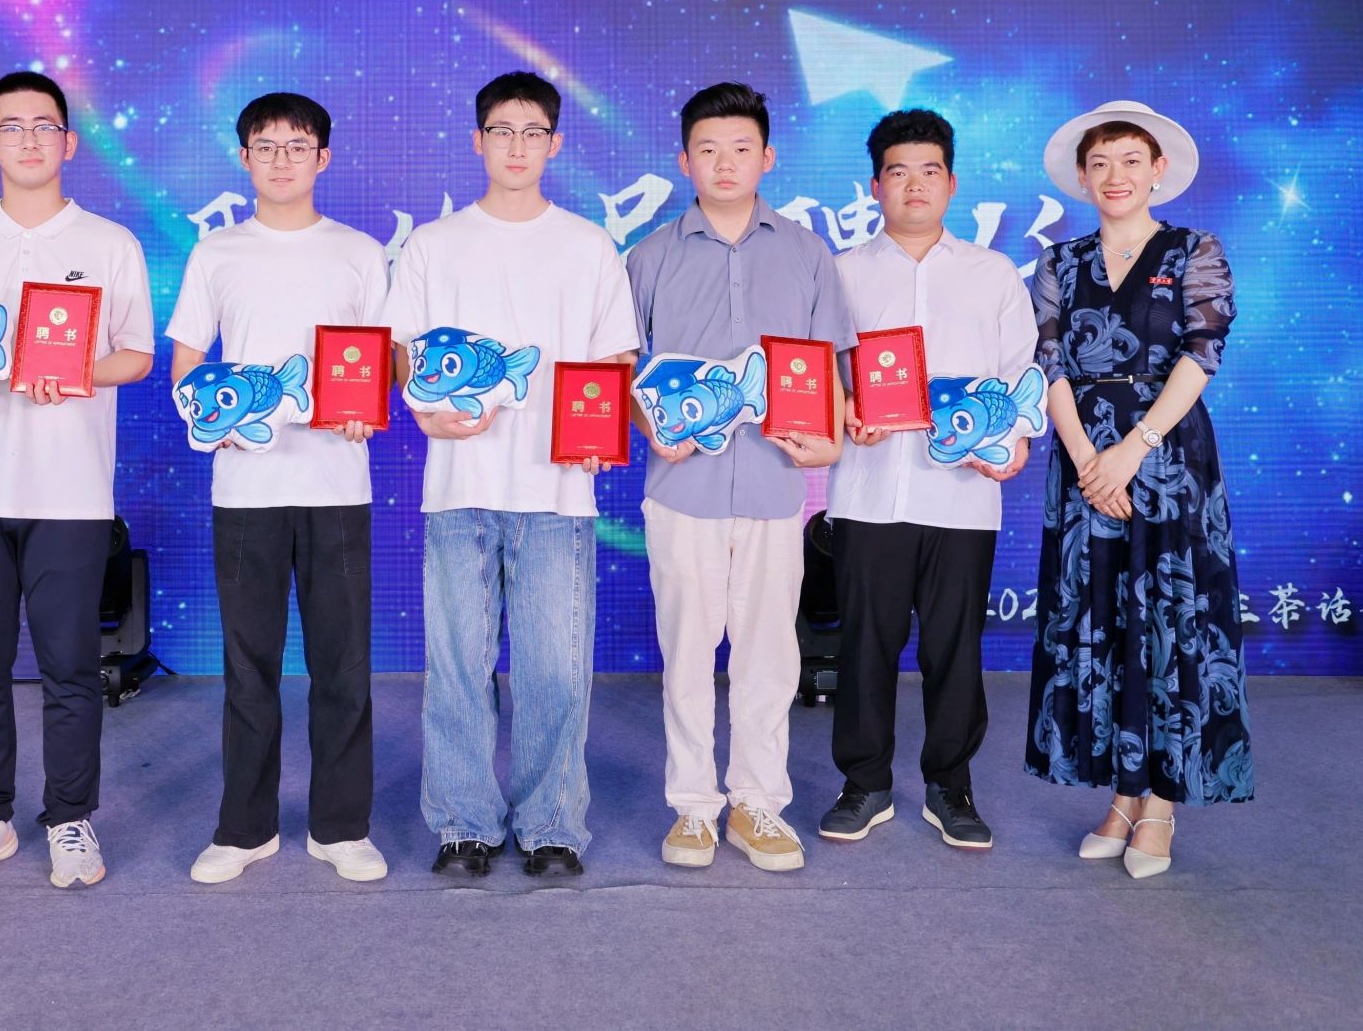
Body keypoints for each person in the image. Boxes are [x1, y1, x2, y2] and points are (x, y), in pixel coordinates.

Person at [384, 70, 640, 880]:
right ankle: (463, 822)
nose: (517, 146)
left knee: (554, 667)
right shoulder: (434, 245)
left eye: (533, 133)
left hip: (557, 488)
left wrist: (601, 429)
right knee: (457, 666)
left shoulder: (588, 245)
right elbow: (401, 348)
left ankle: (552, 823)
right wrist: (421, 409)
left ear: (555, 144)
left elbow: (615, 357)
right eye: (502, 131)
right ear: (478, 141)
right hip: (459, 485)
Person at [0, 71, 154, 889]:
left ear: (69, 142)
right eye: (10, 127)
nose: (28, 140)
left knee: (70, 668)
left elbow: (137, 356)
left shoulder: (110, 243)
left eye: (43, 126)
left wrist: (78, 370)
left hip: (70, 492)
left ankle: (71, 819)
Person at [624, 83, 851, 873]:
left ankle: (758, 804)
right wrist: (653, 426)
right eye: (709, 150)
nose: (725, 164)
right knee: (687, 655)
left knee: (768, 656)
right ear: (684, 160)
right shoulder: (648, 257)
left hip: (773, 486)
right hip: (680, 491)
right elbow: (622, 371)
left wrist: (828, 442)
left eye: (741, 149)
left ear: (768, 157)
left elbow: (829, 363)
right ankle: (692, 808)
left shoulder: (806, 253)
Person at [167, 92, 391, 886]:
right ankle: (245, 828)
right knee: (248, 667)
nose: (282, 159)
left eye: (298, 146)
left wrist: (366, 407)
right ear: (244, 159)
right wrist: (210, 419)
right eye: (266, 146)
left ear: (323, 158)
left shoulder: (359, 252)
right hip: (245, 490)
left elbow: (381, 359)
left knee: (343, 665)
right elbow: (187, 361)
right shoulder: (217, 253)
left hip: (337, 484)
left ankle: (341, 827)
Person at [1024, 100, 1251, 879]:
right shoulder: (1059, 262)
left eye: (1129, 161)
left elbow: (1201, 354)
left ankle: (1161, 804)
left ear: (1157, 170)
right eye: (1100, 163)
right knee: (1097, 620)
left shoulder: (1193, 251)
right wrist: (1088, 459)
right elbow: (1049, 363)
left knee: (1167, 622)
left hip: (1168, 459)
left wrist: (1133, 450)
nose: (1114, 176)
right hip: (1084, 462)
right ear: (1083, 178)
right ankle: (1122, 796)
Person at [817, 109, 1039, 852]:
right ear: (874, 185)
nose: (914, 185)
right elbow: (821, 376)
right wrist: (846, 411)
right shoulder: (841, 272)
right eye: (898, 172)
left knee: (955, 648)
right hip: (867, 490)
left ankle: (951, 785)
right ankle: (865, 783)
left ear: (952, 183)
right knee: (865, 646)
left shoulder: (992, 273)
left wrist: (1010, 442)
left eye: (929, 171)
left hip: (962, 494)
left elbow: (1018, 374)